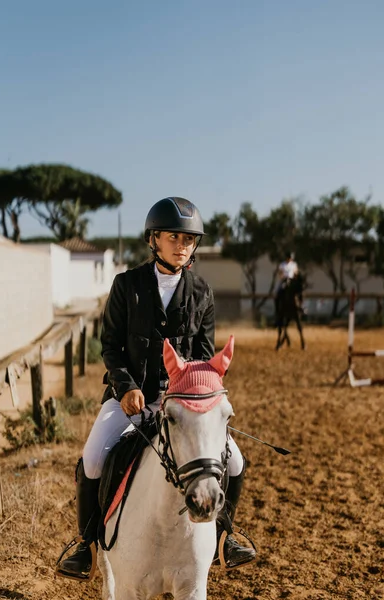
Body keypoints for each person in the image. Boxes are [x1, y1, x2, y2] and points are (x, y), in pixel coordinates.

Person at [56, 197, 256, 581]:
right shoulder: (125, 285)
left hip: (182, 404)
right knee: (93, 458)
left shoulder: (202, 293)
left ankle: (225, 536)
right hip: (128, 398)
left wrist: (195, 396)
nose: (182, 245)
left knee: (234, 462)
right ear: (154, 239)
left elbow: (202, 356)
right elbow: (110, 347)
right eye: (174, 237)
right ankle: (84, 545)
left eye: (189, 239)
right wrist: (126, 386)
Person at [274, 253, 299, 322]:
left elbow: (296, 272)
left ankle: (300, 307)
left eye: (290, 258)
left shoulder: (294, 265)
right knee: (279, 292)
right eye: (288, 258)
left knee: (299, 291)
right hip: (284, 280)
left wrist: (295, 277)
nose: (289, 259)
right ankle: (277, 309)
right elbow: (280, 273)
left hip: (292, 281)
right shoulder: (282, 265)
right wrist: (283, 277)